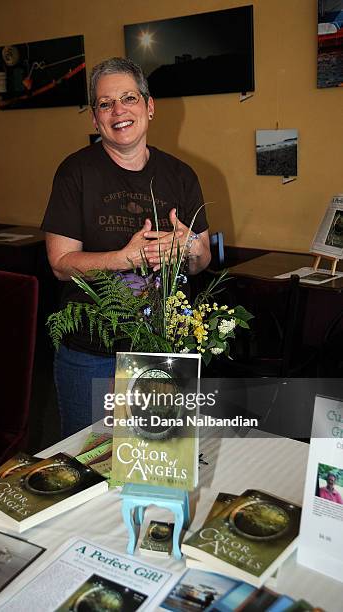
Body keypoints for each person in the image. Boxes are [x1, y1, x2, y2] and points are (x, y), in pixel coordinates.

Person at [42, 57, 211, 438]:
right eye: (105, 103)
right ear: (94, 117)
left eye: (129, 98)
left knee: (162, 460)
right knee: (90, 460)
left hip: (165, 349)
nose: (118, 110)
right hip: (91, 354)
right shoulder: (75, 173)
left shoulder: (181, 175)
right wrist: (125, 258)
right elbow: (59, 263)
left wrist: (187, 248)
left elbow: (202, 261)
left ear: (149, 107)